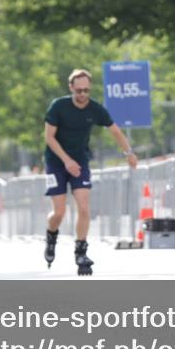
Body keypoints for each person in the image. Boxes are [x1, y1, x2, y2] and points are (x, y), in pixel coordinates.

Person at [44, 68, 138, 275]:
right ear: (71, 88)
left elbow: (115, 131)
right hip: (56, 161)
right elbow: (49, 138)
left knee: (84, 208)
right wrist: (66, 161)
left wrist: (128, 153)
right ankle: (51, 237)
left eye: (86, 90)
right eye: (79, 90)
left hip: (80, 162)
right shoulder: (59, 107)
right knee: (59, 212)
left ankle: (81, 251)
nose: (83, 95)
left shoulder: (95, 109)